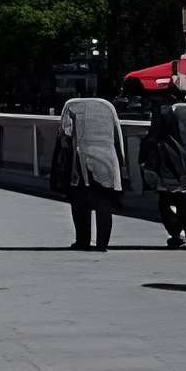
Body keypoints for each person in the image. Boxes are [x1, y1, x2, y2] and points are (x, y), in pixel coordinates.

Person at [142, 75, 186, 248]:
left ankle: (176, 233)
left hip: (170, 165)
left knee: (167, 201)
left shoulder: (164, 113)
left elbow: (153, 138)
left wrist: (144, 160)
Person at [55, 90, 128, 251]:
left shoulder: (70, 105)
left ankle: (82, 240)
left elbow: (65, 135)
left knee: (79, 202)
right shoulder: (108, 107)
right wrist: (121, 164)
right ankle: (102, 243)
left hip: (80, 159)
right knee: (104, 201)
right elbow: (118, 137)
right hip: (108, 159)